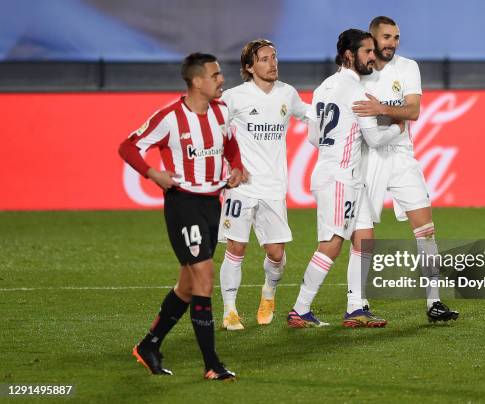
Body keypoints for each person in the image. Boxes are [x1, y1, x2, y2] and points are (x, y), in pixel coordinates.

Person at [118, 53, 245, 380]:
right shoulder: (170, 117)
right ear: (197, 81)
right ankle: (212, 364)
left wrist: (237, 167)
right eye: (216, 75)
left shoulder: (222, 111)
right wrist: (152, 174)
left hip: (212, 204)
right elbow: (128, 147)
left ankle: (149, 345)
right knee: (204, 276)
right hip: (183, 203)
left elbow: (229, 144)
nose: (222, 79)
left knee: (188, 286)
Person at [286, 29, 405, 328]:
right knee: (332, 243)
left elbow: (314, 137)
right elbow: (376, 139)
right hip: (340, 178)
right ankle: (300, 309)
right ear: (349, 55)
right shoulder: (357, 92)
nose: (372, 56)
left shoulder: (324, 87)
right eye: (367, 51)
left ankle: (356, 307)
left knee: (364, 238)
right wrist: (398, 128)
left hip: (341, 173)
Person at [351, 16, 459, 323]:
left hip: (400, 155)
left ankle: (434, 302)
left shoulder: (408, 67)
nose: (392, 43)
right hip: (367, 156)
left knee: (425, 228)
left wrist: (381, 109)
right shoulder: (360, 71)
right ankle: (358, 302)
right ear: (372, 38)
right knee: (363, 235)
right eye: (386, 37)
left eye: (396, 37)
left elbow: (413, 111)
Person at [218, 39, 309, 330]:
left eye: (274, 57)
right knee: (236, 248)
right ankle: (230, 310)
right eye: (265, 59)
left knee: (276, 254)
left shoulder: (287, 93)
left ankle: (268, 292)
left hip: (273, 187)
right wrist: (231, 166)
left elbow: (309, 115)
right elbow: (215, 131)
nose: (273, 64)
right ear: (249, 66)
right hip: (241, 187)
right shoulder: (234, 97)